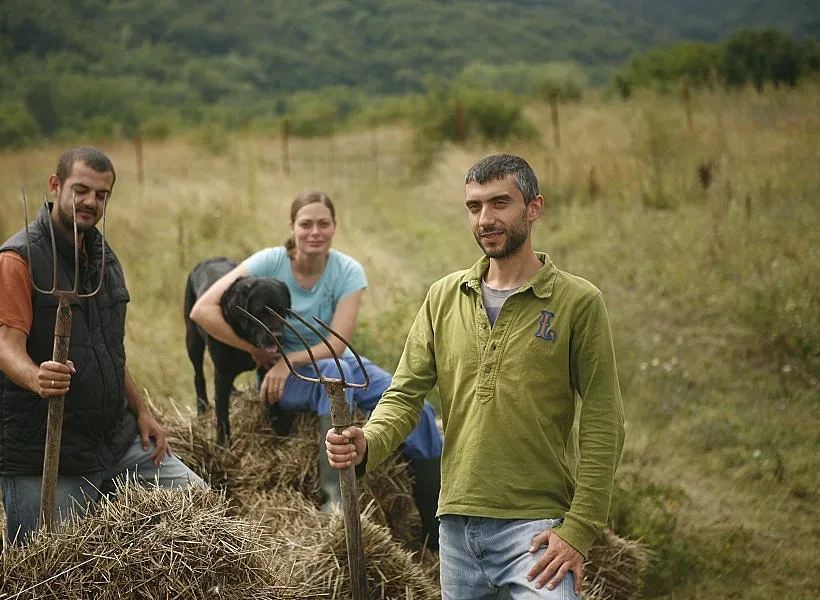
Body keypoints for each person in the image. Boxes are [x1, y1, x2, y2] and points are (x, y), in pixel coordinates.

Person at [325, 154, 626, 599]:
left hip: (538, 532)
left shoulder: (577, 302)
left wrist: (579, 529)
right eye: (474, 206)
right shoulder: (445, 296)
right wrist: (368, 441)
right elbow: (405, 395)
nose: (485, 219)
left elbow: (604, 421)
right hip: (456, 529)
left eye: (500, 203)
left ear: (534, 208)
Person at [189, 190, 444, 549]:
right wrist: (259, 355)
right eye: (305, 224)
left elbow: (337, 344)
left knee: (418, 408)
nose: (314, 231)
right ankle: (334, 498)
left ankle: (435, 529)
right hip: (294, 379)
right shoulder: (270, 261)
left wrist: (288, 360)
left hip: (330, 361)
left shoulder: (348, 271)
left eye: (323, 223)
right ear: (292, 228)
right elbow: (202, 310)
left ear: (334, 227)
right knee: (341, 377)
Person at [0, 146, 204, 545]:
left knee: (198, 503)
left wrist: (141, 410)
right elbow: (6, 347)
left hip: (113, 443)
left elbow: (107, 351)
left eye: (101, 195)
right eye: (81, 190)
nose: (91, 202)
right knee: (49, 566)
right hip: (47, 451)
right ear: (55, 185)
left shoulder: (101, 258)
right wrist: (37, 377)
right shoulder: (20, 259)